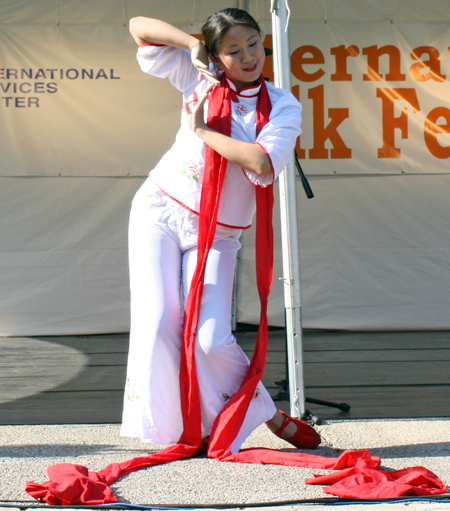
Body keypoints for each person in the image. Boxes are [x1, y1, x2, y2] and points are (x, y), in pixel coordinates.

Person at [120, 8, 320, 455]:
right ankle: (187, 429)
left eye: (253, 44)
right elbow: (138, 26)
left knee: (209, 337)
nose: (249, 56)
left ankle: (263, 412)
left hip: (217, 233)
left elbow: (261, 163)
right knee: (156, 325)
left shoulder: (282, 104)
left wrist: (203, 130)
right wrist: (191, 46)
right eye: (233, 50)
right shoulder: (200, 77)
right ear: (217, 54)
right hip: (159, 209)